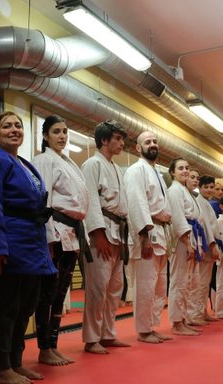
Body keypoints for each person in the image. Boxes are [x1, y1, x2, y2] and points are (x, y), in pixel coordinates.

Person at [0, 111, 57, 384]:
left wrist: (46, 247)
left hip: (31, 245)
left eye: (18, 125)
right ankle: (1, 367)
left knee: (25, 308)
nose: (14, 129)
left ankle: (16, 363)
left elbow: (39, 209)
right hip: (7, 244)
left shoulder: (27, 166)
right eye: (7, 126)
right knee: (4, 307)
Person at [32, 115, 89, 366]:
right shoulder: (45, 160)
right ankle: (44, 348)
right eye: (56, 131)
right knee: (48, 292)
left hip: (72, 232)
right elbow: (43, 199)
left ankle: (53, 345)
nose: (62, 136)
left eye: (65, 131)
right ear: (45, 136)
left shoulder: (69, 162)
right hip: (55, 230)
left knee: (61, 292)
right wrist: (47, 238)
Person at [81, 120, 130, 354]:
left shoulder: (118, 169)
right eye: (118, 138)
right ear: (104, 140)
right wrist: (97, 233)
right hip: (101, 231)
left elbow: (123, 206)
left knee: (114, 288)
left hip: (118, 233)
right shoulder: (92, 165)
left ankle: (108, 334)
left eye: (122, 139)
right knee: (97, 288)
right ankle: (92, 338)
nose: (122, 143)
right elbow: (89, 199)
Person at [124, 131, 174, 344]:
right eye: (147, 142)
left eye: (155, 141)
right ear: (138, 148)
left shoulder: (156, 173)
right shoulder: (136, 170)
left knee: (159, 285)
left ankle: (152, 326)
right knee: (145, 285)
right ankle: (143, 330)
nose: (152, 144)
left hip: (161, 231)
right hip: (148, 232)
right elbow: (137, 203)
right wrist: (143, 235)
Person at [166, 158, 199, 335]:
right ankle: (176, 322)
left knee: (186, 281)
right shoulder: (174, 191)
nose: (185, 171)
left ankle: (183, 318)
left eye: (187, 168)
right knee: (178, 280)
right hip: (181, 238)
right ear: (172, 172)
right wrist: (187, 241)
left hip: (190, 235)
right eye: (181, 168)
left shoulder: (185, 191)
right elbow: (178, 217)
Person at [189, 174, 221, 322]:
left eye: (211, 187)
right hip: (206, 245)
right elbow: (206, 226)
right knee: (200, 282)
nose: (209, 190)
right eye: (206, 187)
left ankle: (202, 311)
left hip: (209, 244)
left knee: (205, 282)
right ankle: (195, 314)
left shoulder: (207, 203)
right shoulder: (200, 202)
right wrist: (213, 245)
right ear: (199, 188)